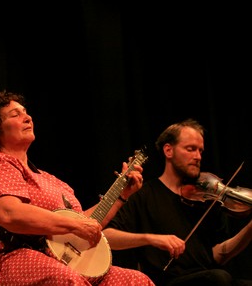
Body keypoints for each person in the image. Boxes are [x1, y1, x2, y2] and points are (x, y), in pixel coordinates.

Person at [0, 90, 155, 285]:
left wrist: (121, 195)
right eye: (15, 115)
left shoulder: (52, 181)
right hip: (8, 257)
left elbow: (85, 225)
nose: (27, 117)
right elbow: (8, 213)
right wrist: (75, 225)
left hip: (61, 260)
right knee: (66, 280)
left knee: (136, 280)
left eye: (25, 112)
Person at [103, 118, 252, 286]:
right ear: (168, 150)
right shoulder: (143, 194)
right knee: (219, 278)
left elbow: (218, 256)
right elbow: (107, 236)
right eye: (191, 149)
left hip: (208, 278)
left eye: (200, 151)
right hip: (167, 281)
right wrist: (151, 238)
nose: (197, 157)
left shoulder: (208, 199)